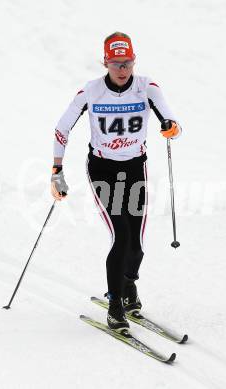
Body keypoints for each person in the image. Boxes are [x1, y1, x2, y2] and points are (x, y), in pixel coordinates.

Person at [51, 32, 181, 332]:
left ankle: (128, 287)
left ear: (134, 61)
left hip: (135, 169)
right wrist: (56, 170)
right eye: (115, 64)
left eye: (126, 63)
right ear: (105, 63)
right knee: (120, 235)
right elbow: (61, 128)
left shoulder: (147, 87)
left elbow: (173, 123)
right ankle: (114, 305)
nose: (122, 70)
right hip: (102, 171)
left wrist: (171, 128)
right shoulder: (91, 92)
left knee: (136, 246)